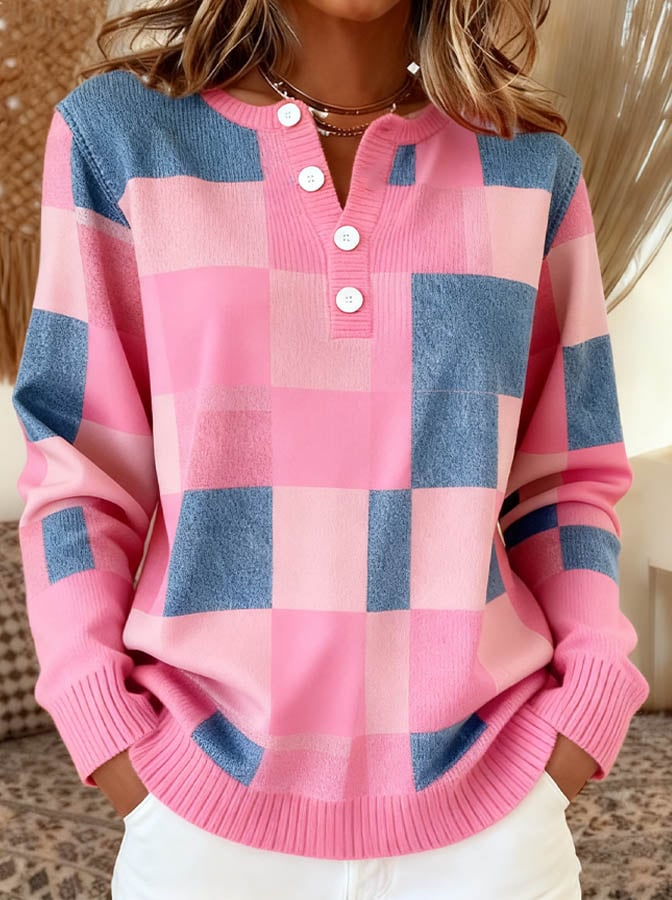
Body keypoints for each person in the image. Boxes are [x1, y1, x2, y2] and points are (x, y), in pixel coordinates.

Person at [11, 0, 650, 896]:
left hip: (493, 823)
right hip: (203, 822)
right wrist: (108, 734)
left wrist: (582, 720)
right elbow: (81, 474)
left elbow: (564, 486)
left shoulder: (530, 167)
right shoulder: (120, 138)